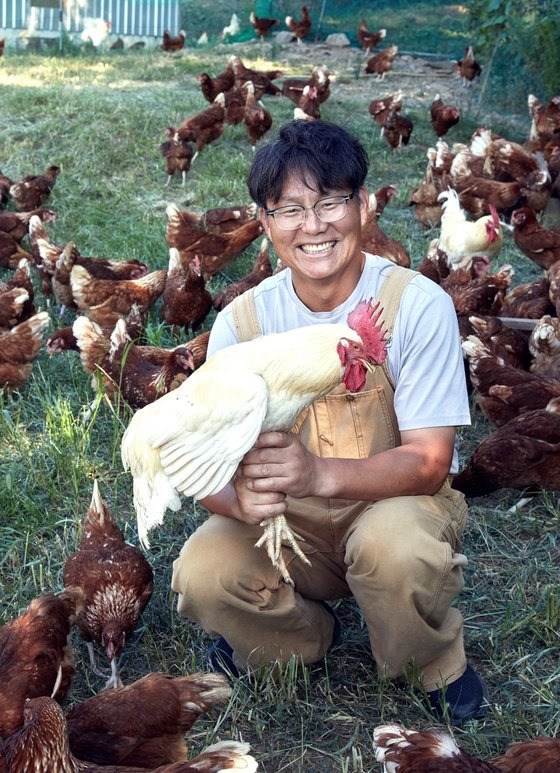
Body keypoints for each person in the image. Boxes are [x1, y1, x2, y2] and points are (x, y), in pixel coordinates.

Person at [171, 119, 488, 724]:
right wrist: (237, 503)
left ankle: (430, 661)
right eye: (289, 209)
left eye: (329, 203)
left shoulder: (417, 306)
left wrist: (316, 473)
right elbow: (203, 463)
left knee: (397, 552)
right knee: (204, 572)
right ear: (264, 222)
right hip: (291, 530)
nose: (311, 227)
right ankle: (301, 639)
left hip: (396, 507)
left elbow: (428, 462)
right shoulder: (242, 324)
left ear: (363, 207)